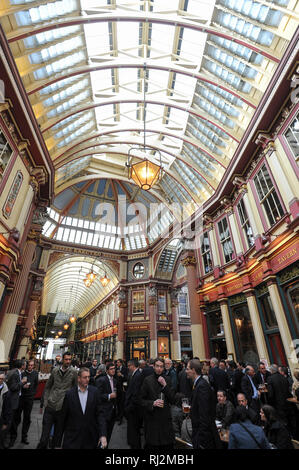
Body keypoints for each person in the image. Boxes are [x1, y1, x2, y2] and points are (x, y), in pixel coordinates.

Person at [37, 351, 78, 449]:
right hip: (50, 407)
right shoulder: (55, 371)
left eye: (69, 359)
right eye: (66, 359)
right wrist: (46, 402)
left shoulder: (73, 372)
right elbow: (47, 387)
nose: (68, 361)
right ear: (62, 360)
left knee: (57, 439)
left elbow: (75, 389)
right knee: (44, 438)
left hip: (63, 409)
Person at [60, 368, 107, 449]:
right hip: (73, 439)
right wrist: (58, 442)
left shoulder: (95, 392)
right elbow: (63, 418)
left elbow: (100, 414)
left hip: (90, 438)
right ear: (78, 378)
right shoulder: (69, 394)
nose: (87, 379)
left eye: (88, 377)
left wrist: (103, 435)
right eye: (85, 377)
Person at [140, 357, 176, 450]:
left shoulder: (167, 379)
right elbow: (140, 400)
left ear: (164, 368)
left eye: (161, 366)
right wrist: (152, 403)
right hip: (152, 420)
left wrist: (165, 385)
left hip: (165, 421)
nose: (159, 368)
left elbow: (173, 399)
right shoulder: (147, 380)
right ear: (153, 367)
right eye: (157, 366)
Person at [186, 359, 221, 449]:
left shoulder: (201, 386)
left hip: (204, 436)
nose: (186, 371)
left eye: (187, 369)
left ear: (193, 370)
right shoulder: (198, 384)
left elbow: (204, 413)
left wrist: (201, 439)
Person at [11, 359, 38, 445]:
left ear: (33, 366)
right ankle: (13, 437)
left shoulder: (35, 374)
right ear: (26, 365)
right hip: (21, 398)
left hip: (29, 399)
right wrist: (23, 386)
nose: (30, 367)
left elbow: (36, 385)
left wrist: (33, 394)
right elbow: (18, 384)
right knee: (17, 418)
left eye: (31, 365)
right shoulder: (22, 373)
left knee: (27, 418)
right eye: (28, 365)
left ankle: (24, 437)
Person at [267, 364, 296, 437]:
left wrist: (271, 405)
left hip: (279, 406)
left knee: (283, 425)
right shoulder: (283, 377)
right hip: (288, 404)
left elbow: (271, 395)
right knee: (291, 424)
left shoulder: (270, 379)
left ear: (271, 371)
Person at [96, 361, 117, 447]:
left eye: (114, 369)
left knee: (109, 433)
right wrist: (109, 396)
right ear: (107, 371)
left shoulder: (115, 380)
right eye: (111, 369)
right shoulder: (102, 380)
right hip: (103, 411)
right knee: (102, 434)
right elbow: (98, 395)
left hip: (112, 412)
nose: (113, 371)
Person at [6, 359, 27, 447]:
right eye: (25, 364)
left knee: (15, 419)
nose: (26, 366)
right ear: (22, 366)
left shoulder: (19, 372)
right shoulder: (15, 373)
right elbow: (13, 387)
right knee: (12, 420)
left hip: (18, 399)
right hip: (13, 400)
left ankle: (12, 436)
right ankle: (11, 438)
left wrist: (23, 386)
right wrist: (22, 383)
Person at [124, 359, 143, 449]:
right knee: (132, 429)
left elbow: (136, 393)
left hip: (134, 408)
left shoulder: (137, 375)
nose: (128, 368)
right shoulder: (134, 374)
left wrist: (129, 407)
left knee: (134, 429)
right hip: (132, 406)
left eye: (128, 366)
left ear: (133, 366)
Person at [0, 372, 12, 449]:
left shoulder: (6, 391)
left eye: (1, 378)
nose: (0, 380)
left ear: (4, 379)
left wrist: (6, 422)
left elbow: (7, 408)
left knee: (1, 435)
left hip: (1, 416)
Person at [115, 359, 127, 425]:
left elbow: (126, 377)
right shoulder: (116, 368)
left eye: (118, 362)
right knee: (118, 402)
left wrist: (121, 375)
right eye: (117, 362)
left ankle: (121, 418)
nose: (117, 363)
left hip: (122, 388)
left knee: (121, 403)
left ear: (121, 363)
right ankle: (118, 416)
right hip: (117, 388)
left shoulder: (125, 369)